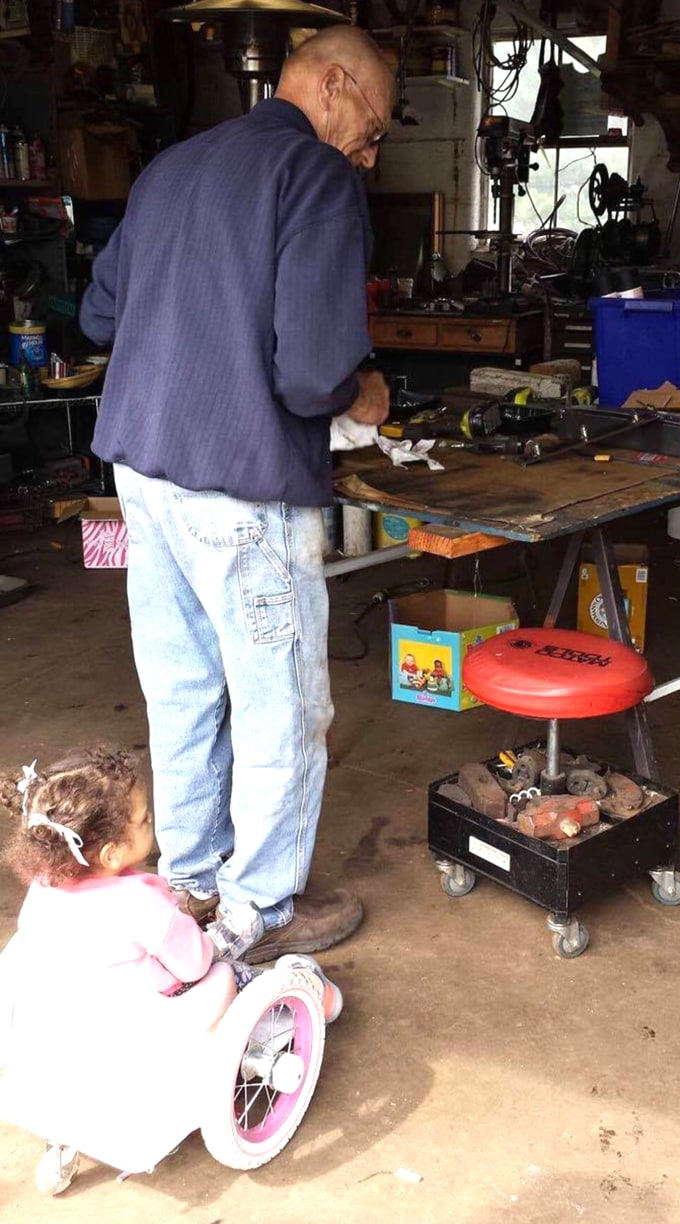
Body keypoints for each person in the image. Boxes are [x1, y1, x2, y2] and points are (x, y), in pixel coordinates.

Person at [78, 26, 395, 963]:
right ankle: (263, 908)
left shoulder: (173, 166)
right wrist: (364, 388)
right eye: (371, 130)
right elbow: (310, 376)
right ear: (333, 86)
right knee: (279, 705)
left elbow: (100, 314)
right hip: (242, 487)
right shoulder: (315, 177)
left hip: (141, 471)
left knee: (179, 687)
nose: (368, 155)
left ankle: (191, 880)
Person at [0, 747, 342, 1194]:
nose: (150, 822)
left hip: (81, 1014)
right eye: (142, 820)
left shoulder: (44, 889)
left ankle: (65, 1145)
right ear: (108, 852)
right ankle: (315, 996)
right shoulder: (143, 905)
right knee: (233, 971)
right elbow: (195, 962)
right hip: (160, 1016)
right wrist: (204, 936)